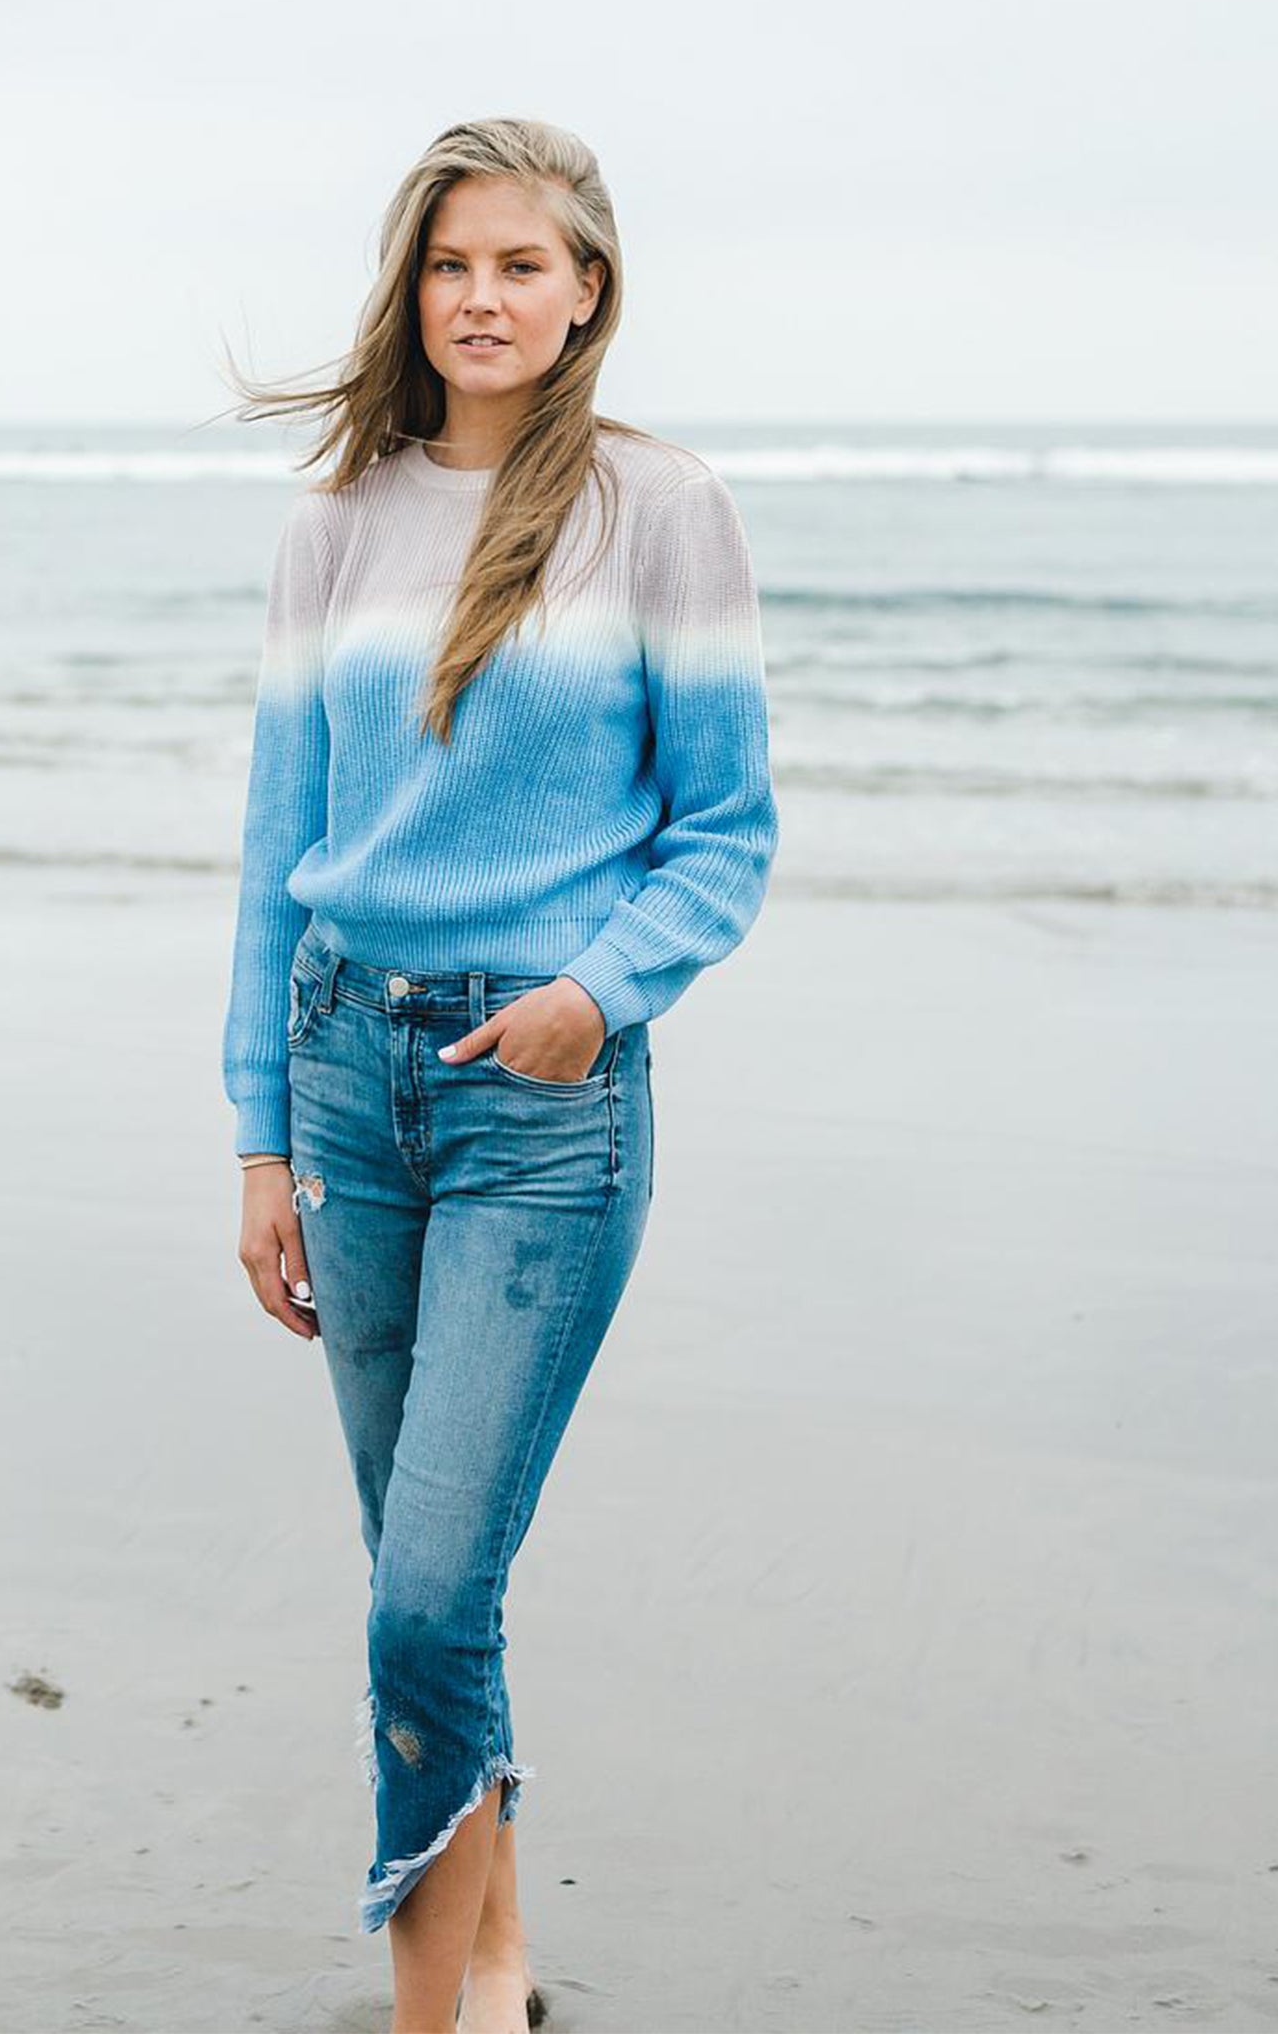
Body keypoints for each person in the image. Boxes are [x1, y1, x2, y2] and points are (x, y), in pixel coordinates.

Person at [219, 117, 779, 2034]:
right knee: (428, 1587)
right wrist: (256, 1140)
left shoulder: (662, 508)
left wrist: (597, 997)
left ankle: (423, 2017)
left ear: (587, 291)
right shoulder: (333, 527)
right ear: (414, 289)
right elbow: (276, 849)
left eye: (521, 265)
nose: (483, 297)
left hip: (540, 1103)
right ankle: (502, 1958)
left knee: (423, 1599)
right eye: (453, 265)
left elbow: (725, 835)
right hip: (343, 1082)